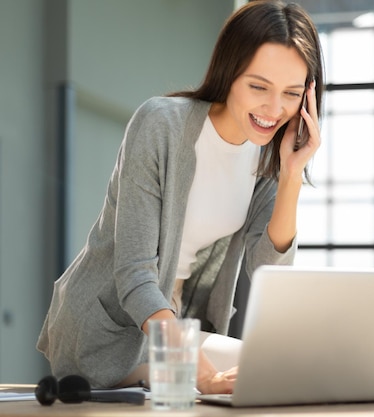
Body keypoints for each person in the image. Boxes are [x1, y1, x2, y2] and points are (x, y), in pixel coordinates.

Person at [36, 0, 324, 395]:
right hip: (113, 332)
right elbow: (135, 275)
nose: (274, 109)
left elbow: (266, 275)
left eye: (291, 93)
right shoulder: (162, 124)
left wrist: (291, 176)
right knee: (272, 379)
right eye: (258, 86)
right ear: (229, 72)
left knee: (294, 373)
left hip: (178, 332)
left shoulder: (269, 155)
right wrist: (199, 373)